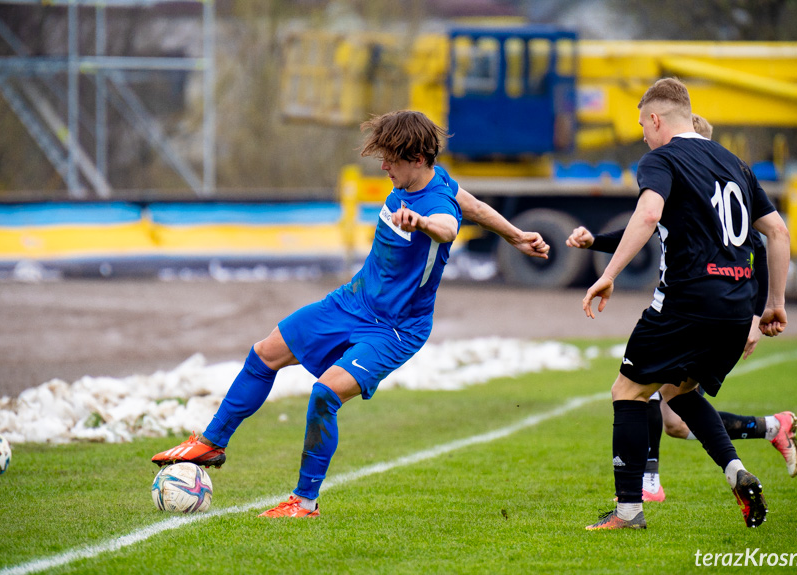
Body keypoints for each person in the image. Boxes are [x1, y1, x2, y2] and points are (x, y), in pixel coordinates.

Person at [151, 110, 550, 518]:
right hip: (351, 302)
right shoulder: (439, 179)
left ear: (415, 157)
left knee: (325, 393)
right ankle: (213, 441)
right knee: (265, 352)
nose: (383, 166)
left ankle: (305, 502)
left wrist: (422, 222)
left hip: (395, 329)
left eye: (391, 158)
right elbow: (473, 206)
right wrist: (517, 236)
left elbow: (449, 224)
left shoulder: (434, 202)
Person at [580, 78, 790, 530]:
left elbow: (649, 214)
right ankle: (736, 471)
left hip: (685, 304)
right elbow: (778, 232)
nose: (642, 135)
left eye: (642, 125)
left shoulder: (661, 158)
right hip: (736, 309)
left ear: (657, 119)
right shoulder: (734, 162)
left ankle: (629, 511)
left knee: (627, 392)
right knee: (680, 391)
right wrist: (773, 304)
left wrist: (608, 275)